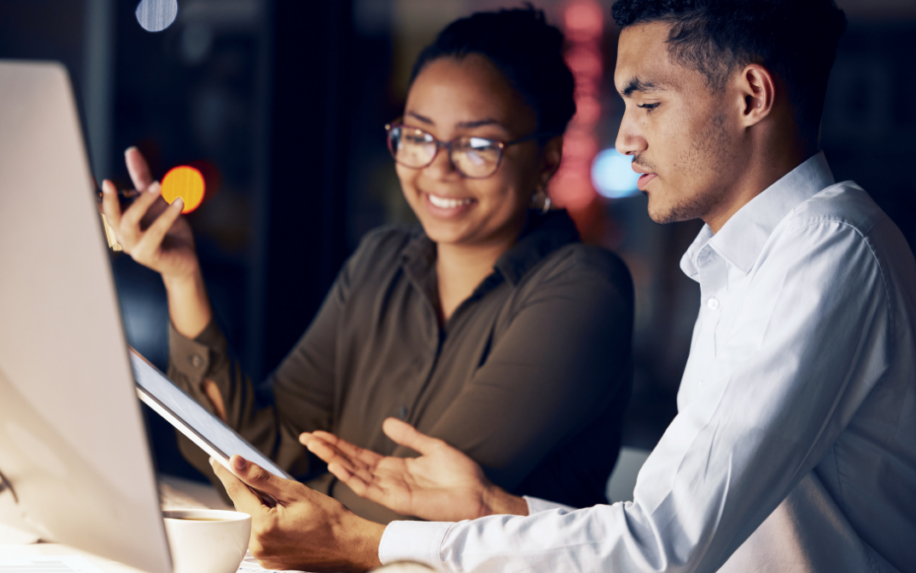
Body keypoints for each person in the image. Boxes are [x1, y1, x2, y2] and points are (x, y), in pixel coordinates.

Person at [204, 0, 916, 571]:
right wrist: (488, 506)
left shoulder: (826, 253)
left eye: (649, 101)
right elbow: (664, 524)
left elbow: (663, 546)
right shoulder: (745, 261)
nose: (625, 135)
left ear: (751, 97)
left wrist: (375, 542)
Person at [100, 7, 634, 523]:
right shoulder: (382, 262)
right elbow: (249, 452)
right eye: (419, 136)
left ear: (546, 158)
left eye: (477, 145)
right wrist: (181, 276)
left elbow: (424, 503)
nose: (438, 169)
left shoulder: (585, 289)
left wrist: (285, 493)